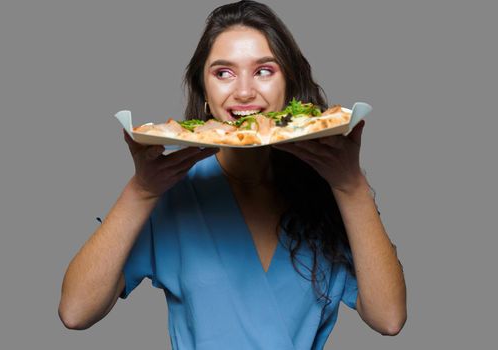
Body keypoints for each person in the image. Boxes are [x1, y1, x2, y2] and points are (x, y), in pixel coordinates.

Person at [58, 1, 406, 348]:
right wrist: (142, 191)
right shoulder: (172, 189)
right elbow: (76, 312)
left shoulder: (328, 190)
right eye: (223, 73)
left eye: (264, 71)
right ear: (205, 92)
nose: (243, 92)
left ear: (289, 86)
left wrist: (351, 187)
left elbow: (388, 319)